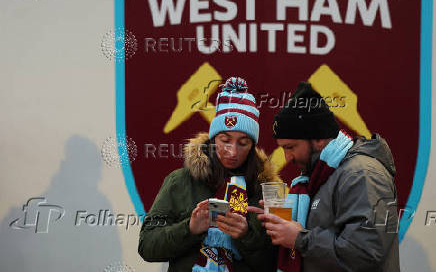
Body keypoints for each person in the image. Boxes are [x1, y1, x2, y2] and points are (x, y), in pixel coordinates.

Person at [249, 81, 400, 272]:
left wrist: (300, 238)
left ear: (319, 139)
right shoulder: (321, 175)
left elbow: (366, 254)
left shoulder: (361, 174)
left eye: (291, 147)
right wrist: (278, 226)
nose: (287, 157)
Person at [138, 77, 279, 272]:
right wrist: (190, 228)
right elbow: (147, 246)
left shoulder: (266, 190)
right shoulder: (180, 181)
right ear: (213, 139)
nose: (232, 151)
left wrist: (246, 236)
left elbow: (277, 263)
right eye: (225, 140)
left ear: (253, 145)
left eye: (243, 142)